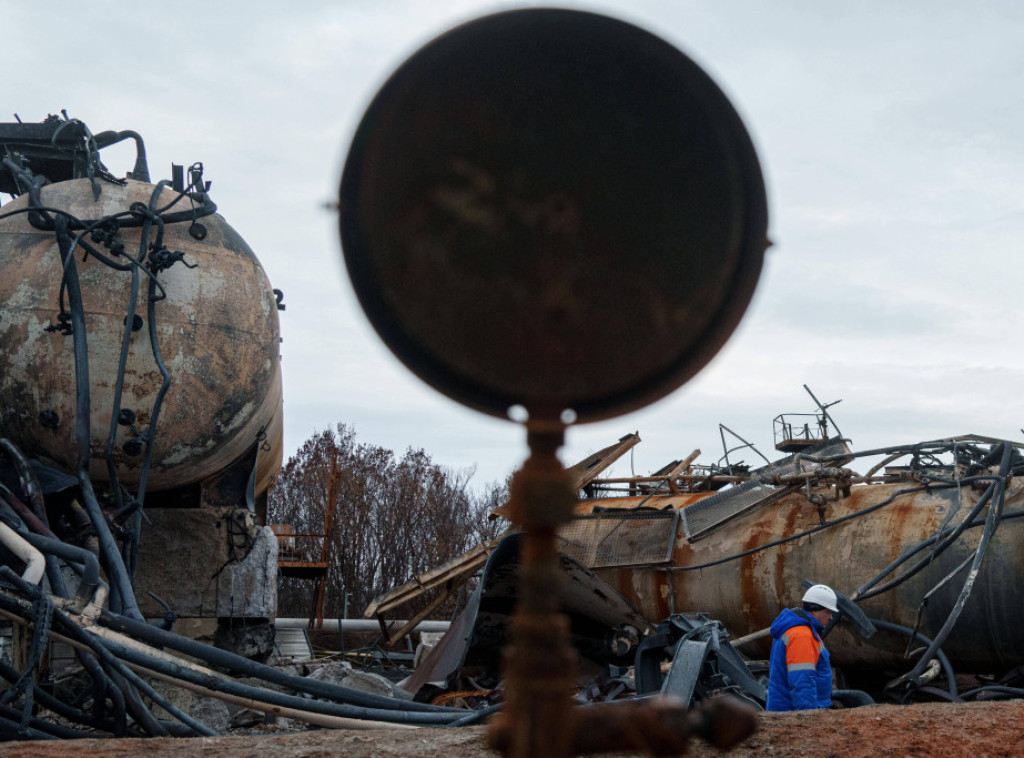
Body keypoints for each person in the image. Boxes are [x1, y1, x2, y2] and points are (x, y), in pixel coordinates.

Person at [765, 584, 838, 711]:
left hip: (789, 711)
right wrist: (809, 716)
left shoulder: (799, 630)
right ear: (814, 611)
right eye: (828, 612)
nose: (831, 617)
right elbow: (802, 682)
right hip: (792, 714)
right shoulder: (801, 636)